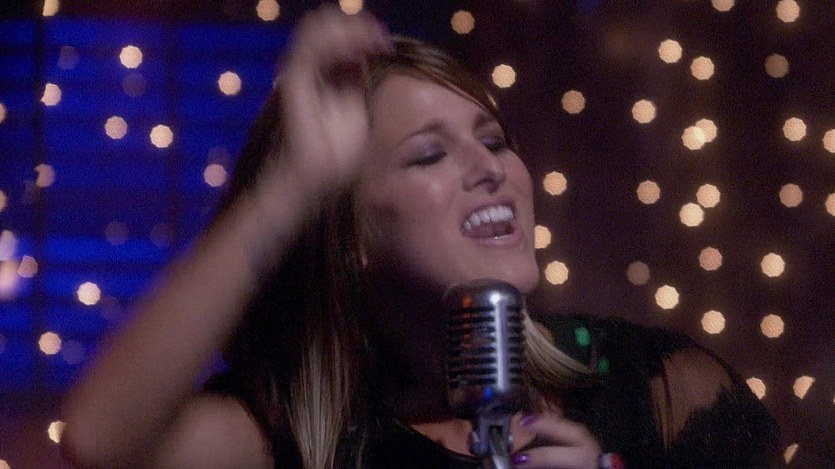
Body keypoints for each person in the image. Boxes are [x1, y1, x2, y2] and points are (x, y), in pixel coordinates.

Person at [60, 6, 780, 469]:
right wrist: (293, 186)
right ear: (352, 237)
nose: (489, 169)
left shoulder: (655, 388)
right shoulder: (301, 441)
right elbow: (98, 440)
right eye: (429, 155)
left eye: (493, 141)